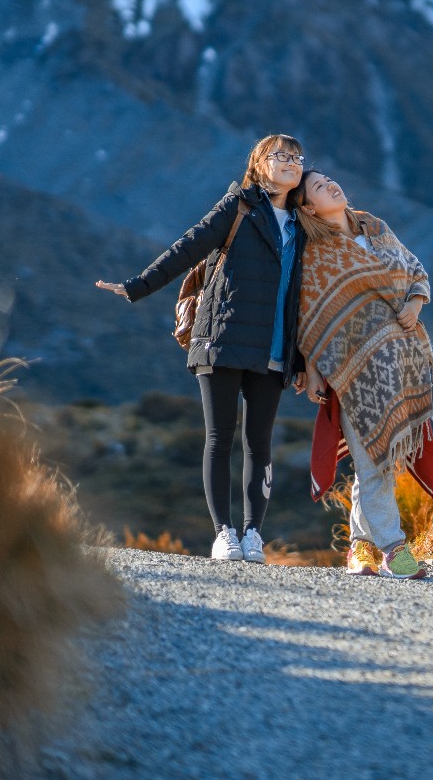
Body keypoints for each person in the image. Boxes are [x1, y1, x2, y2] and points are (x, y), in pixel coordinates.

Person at [97, 135, 309, 563]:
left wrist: (302, 358)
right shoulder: (239, 206)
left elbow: (308, 295)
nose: (289, 162)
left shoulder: (307, 223)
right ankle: (224, 533)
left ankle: (253, 534)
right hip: (222, 339)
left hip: (273, 348)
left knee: (259, 444)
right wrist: (138, 286)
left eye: (296, 157)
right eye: (279, 155)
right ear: (259, 165)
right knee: (219, 437)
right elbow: (188, 246)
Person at [295, 171, 433, 580]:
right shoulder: (317, 252)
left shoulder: (374, 225)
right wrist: (313, 367)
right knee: (373, 459)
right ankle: (395, 549)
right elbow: (309, 316)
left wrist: (415, 302)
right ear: (308, 208)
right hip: (353, 370)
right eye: (319, 188)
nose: (331, 186)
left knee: (377, 463)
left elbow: (414, 269)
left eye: (329, 180)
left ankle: (359, 549)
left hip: (403, 364)